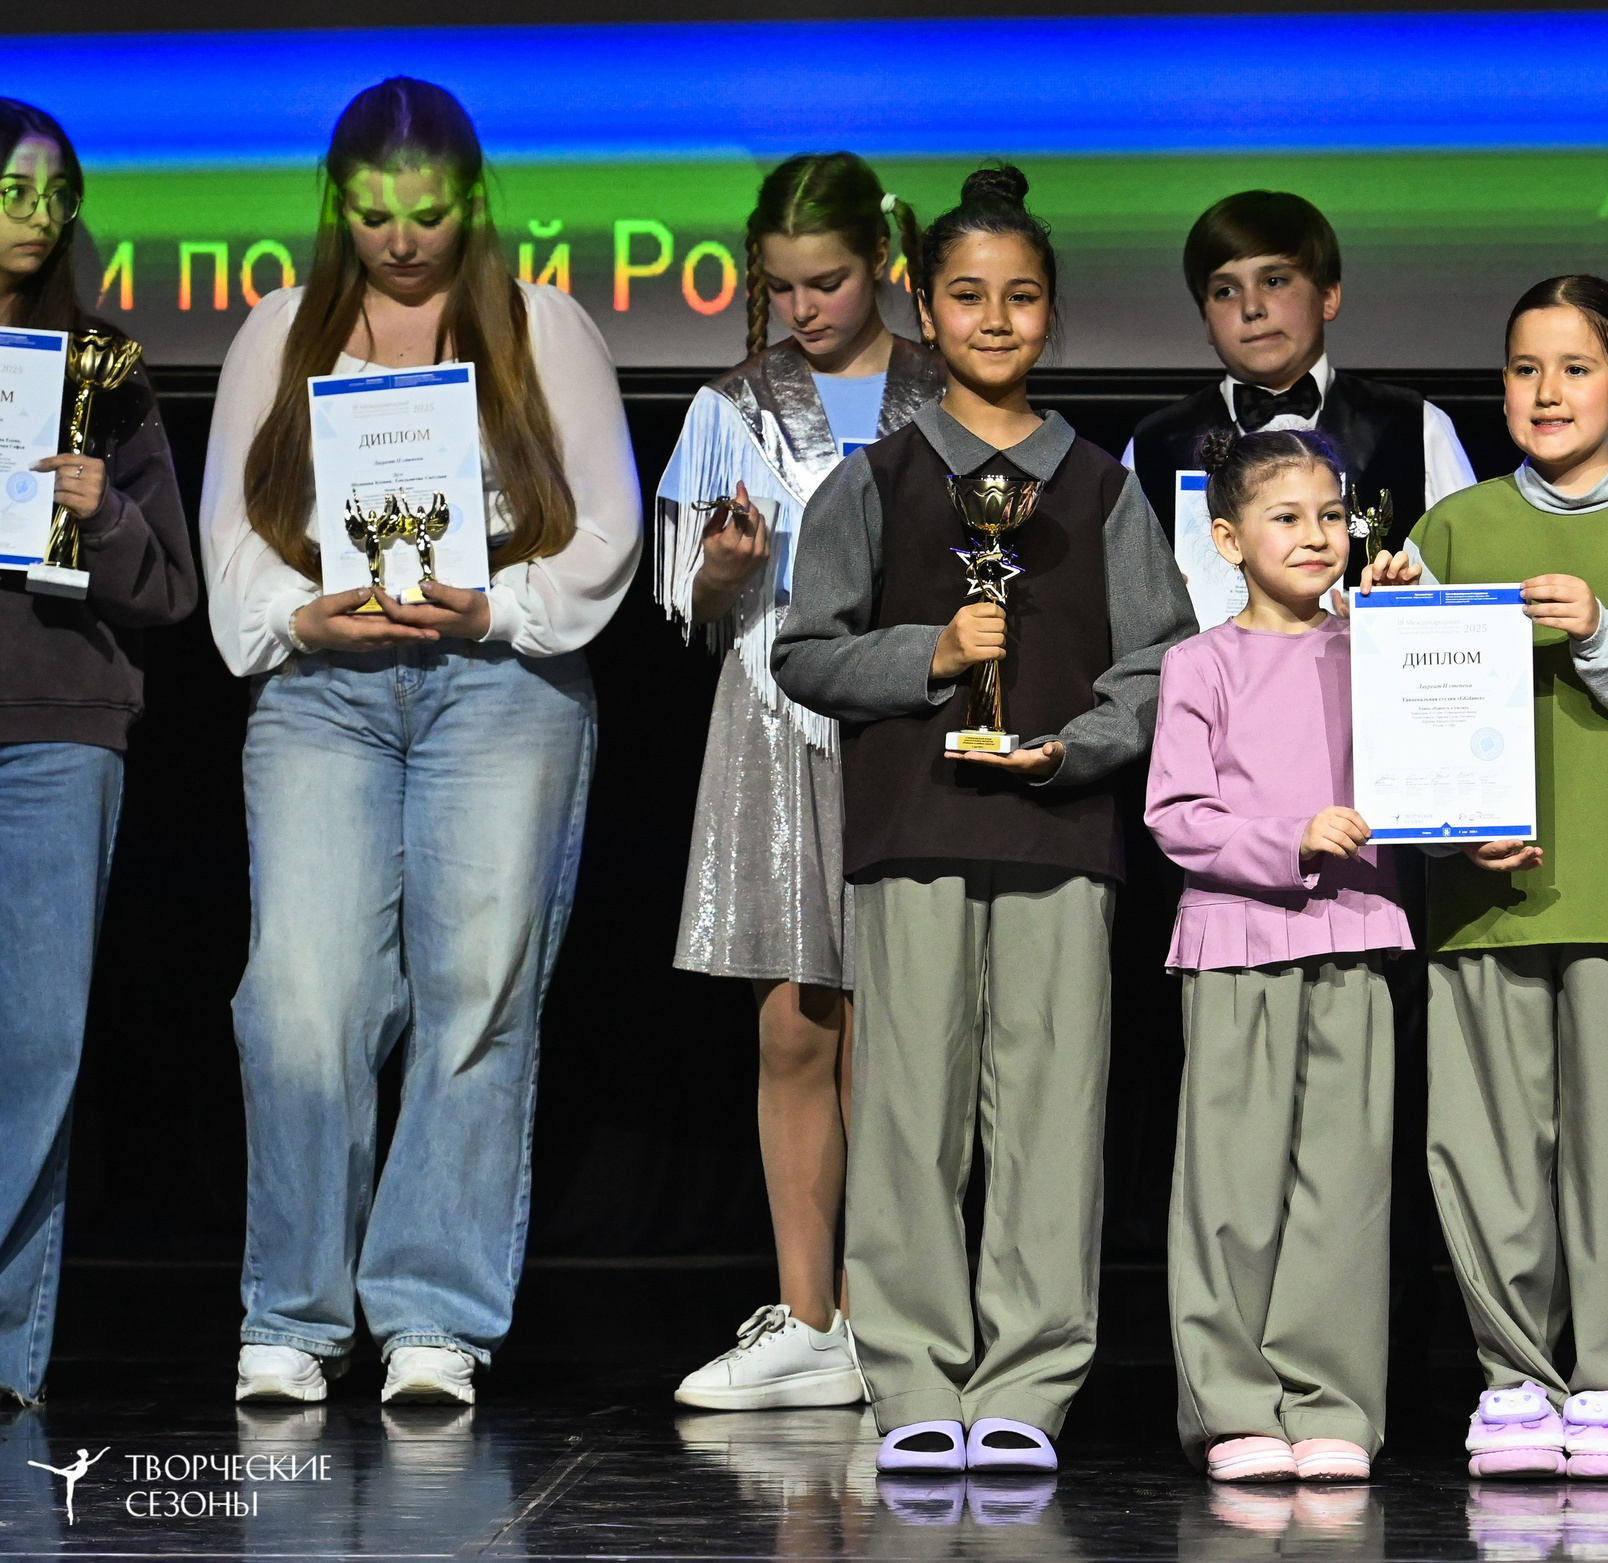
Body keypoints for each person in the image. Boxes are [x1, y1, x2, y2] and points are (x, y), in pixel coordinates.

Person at [200, 77, 640, 1407]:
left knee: (476, 992)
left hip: (496, 678)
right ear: (339, 205)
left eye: (429, 212)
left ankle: (433, 1313)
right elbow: (229, 536)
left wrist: (500, 601)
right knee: (302, 995)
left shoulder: (541, 325)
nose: (403, 238)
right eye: (377, 213)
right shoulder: (279, 329)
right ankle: (292, 1305)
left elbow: (608, 526)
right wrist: (299, 612)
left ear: (472, 202)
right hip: (327, 686)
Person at [772, 164, 1193, 1475]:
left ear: (1049, 311)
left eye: (1020, 297)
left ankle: (1027, 1381)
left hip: (1061, 840)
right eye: (967, 295)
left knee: (1052, 1116)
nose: (995, 319)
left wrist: (1081, 745)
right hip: (911, 833)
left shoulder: (1103, 486)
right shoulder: (874, 482)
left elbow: (1164, 660)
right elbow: (804, 651)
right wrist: (931, 652)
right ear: (924, 303)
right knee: (906, 1116)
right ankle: (911, 1380)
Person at [1365, 275, 1608, 1481]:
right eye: (1525, 369)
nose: (1545, 392)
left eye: (1575, 369)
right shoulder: (1455, 526)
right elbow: (1399, 714)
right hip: (1480, 891)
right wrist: (1383, 626)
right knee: (1483, 1148)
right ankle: (1516, 1382)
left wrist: (1601, 632)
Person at [654, 152, 943, 1411]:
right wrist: (724, 567)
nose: (807, 308)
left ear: (879, 265)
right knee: (795, 1017)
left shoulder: (945, 391)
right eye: (783, 289)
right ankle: (807, 1314)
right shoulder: (735, 403)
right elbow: (687, 601)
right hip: (779, 716)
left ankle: (901, 1311)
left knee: (908, 1020)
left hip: (911, 715)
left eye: (827, 282)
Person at [1144, 428, 1410, 1485]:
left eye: (1331, 516)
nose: (1316, 536)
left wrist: (1405, 622)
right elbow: (1175, 814)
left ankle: (1331, 1402)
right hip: (1236, 944)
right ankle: (1233, 1405)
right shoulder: (1197, 662)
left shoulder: (1372, 643)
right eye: (1286, 517)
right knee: (1231, 1183)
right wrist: (1288, 838)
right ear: (1227, 537)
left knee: (1342, 1185)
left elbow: (1434, 756)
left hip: (1357, 931)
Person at [0, 99, 196, 1409]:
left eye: (53, 193)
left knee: (34, 1051)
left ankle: (7, 1357)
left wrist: (101, 511)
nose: (34, 214)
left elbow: (171, 586)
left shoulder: (100, 371)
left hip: (57, 732)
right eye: (11, 187)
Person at [1124, 189, 1476, 606]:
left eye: (1274, 281)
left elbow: (1466, 598)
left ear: (1328, 296)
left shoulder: (1415, 426)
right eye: (1225, 291)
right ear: (1204, 318)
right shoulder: (1153, 446)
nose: (1252, 307)